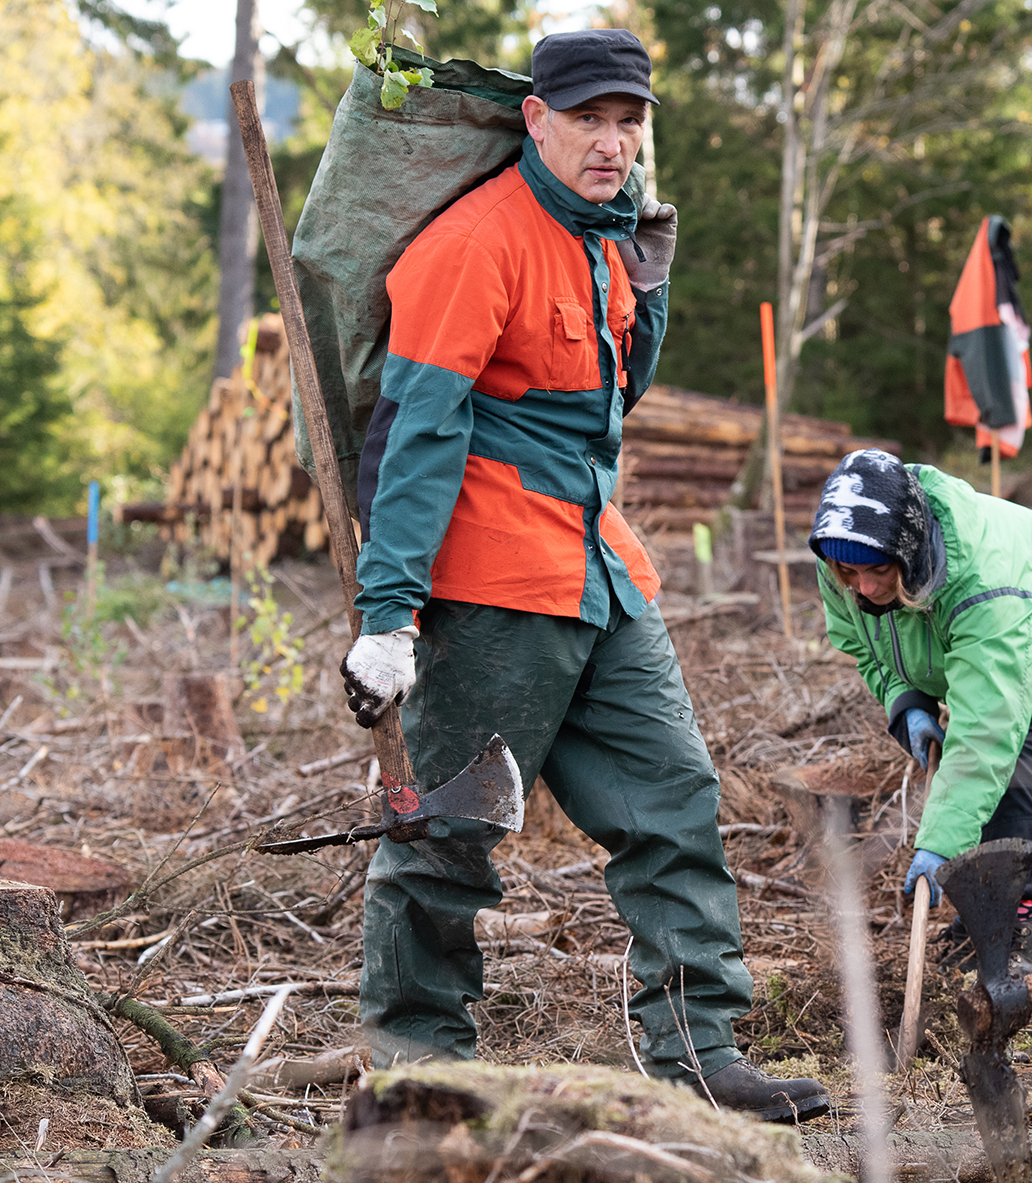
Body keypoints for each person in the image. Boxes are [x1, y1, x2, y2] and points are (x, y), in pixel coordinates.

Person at [335, 28, 829, 1122]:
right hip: (491, 582)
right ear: (536, 119)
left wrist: (649, 282)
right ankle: (419, 1075)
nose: (611, 143)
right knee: (448, 832)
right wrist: (388, 613)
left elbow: (613, 399)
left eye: (627, 122)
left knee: (675, 801)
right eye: (588, 120)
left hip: (601, 569)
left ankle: (699, 1055)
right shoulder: (475, 244)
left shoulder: (609, 238)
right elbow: (413, 433)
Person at [808, 448, 1032, 972]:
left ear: (910, 551)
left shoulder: (985, 585)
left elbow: (988, 732)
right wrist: (907, 703)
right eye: (849, 572)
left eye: (877, 571)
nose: (863, 588)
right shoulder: (843, 562)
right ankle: (978, 921)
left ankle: (1010, 924)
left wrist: (939, 844)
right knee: (978, 769)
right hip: (996, 635)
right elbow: (863, 646)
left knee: (1018, 750)